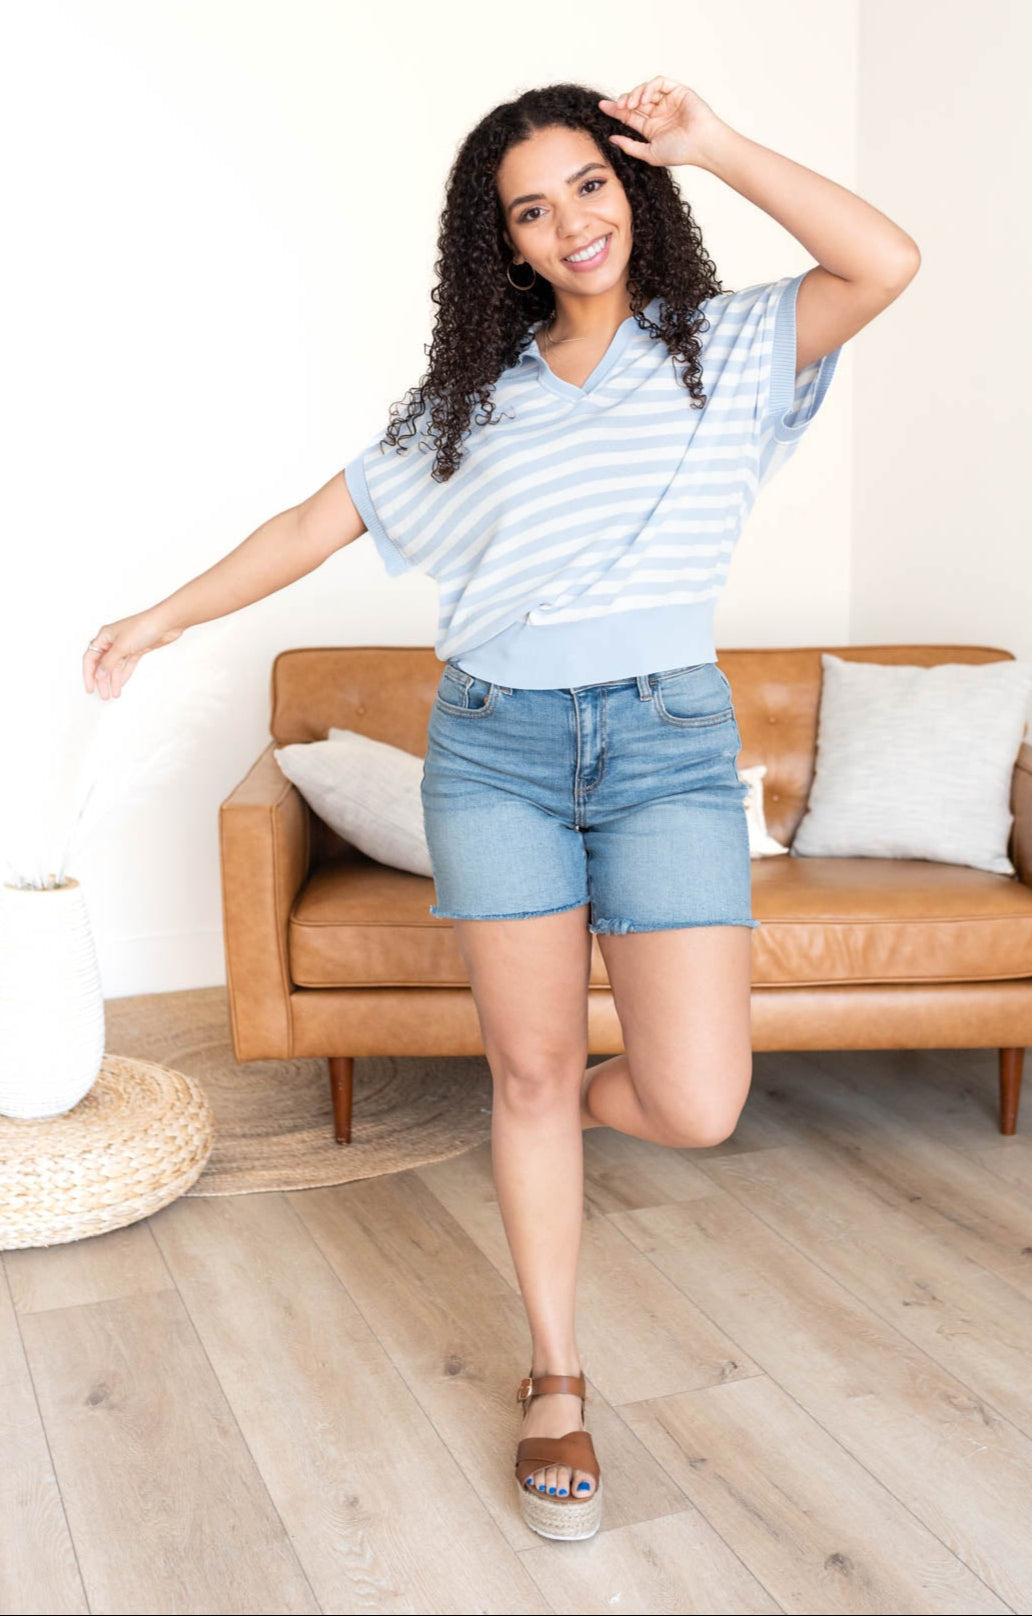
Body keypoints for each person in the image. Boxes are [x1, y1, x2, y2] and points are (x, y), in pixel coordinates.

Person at [83, 76, 919, 1542]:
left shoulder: (730, 345)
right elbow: (307, 524)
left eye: (588, 187)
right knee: (524, 1079)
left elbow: (885, 261)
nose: (570, 224)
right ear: (506, 246)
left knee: (695, 1101)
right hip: (496, 750)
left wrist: (714, 142)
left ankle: (562, 1118)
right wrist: (160, 617)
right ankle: (557, 1379)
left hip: (665, 744)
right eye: (532, 210)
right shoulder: (472, 404)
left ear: (633, 190)